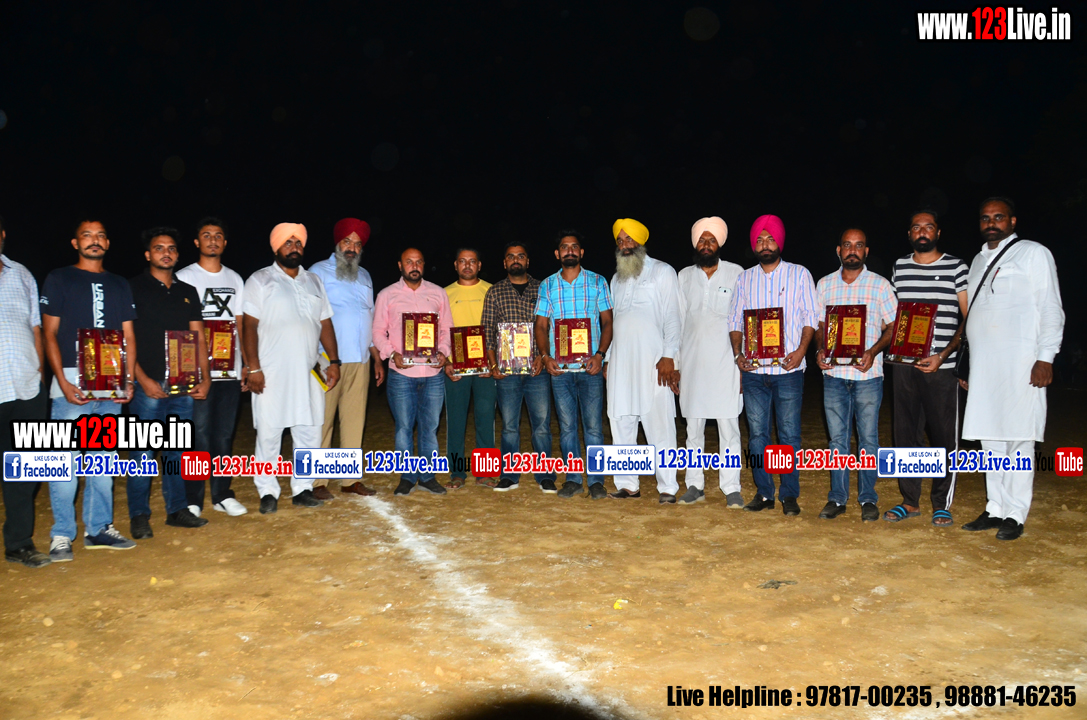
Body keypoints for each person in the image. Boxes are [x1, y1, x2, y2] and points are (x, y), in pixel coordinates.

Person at [960, 197, 1064, 541]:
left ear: (1013, 221)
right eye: (985, 218)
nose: (991, 223)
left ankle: (1015, 514)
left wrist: (1045, 357)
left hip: (1022, 364)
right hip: (985, 367)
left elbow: (1050, 307)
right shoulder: (977, 261)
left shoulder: (1033, 253)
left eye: (998, 217)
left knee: (1019, 438)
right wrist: (969, 367)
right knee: (990, 439)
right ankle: (995, 508)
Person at [40, 219, 137, 559]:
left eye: (100, 236)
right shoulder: (59, 278)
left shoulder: (119, 283)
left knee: (102, 462)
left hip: (110, 381)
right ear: (75, 242)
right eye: (87, 235)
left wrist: (128, 380)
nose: (94, 241)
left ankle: (98, 529)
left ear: (107, 243)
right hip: (71, 380)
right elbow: (49, 333)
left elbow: (128, 336)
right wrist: (62, 381)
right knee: (64, 463)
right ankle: (61, 534)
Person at [242, 223, 340, 513]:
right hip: (271, 372)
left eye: (298, 243)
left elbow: (325, 322)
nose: (294, 247)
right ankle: (267, 491)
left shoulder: (314, 281)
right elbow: (249, 325)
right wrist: (253, 368)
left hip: (308, 370)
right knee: (269, 433)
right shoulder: (260, 279)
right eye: (288, 242)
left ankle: (303, 488)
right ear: (276, 247)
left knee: (309, 431)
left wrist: (334, 361)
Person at [728, 215, 819, 516]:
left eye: (770, 239)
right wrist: (738, 354)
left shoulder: (799, 274)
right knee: (757, 436)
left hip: (788, 370)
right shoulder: (744, 279)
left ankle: (789, 494)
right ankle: (764, 492)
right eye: (759, 240)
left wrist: (801, 351)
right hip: (754, 372)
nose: (764, 244)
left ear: (779, 242)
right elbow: (734, 320)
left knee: (789, 435)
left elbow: (810, 316)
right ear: (753, 245)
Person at [884, 211, 968, 526]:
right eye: (916, 227)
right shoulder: (900, 266)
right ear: (909, 233)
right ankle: (910, 501)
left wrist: (943, 355)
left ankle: (941, 503)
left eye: (928, 227)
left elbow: (968, 317)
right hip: (904, 367)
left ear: (938, 232)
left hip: (941, 367)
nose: (922, 231)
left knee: (944, 436)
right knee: (906, 434)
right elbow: (894, 316)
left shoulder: (957, 267)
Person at [127, 227, 211, 538]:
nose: (166, 253)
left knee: (176, 450)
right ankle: (139, 515)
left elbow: (198, 337)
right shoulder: (131, 288)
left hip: (182, 385)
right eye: (159, 247)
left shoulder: (187, 291)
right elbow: (125, 338)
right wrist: (141, 379)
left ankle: (177, 509)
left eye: (172, 248)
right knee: (143, 453)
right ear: (147, 254)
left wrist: (206, 377)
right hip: (147, 384)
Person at [815, 229, 897, 521]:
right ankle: (837, 498)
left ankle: (868, 499)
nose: (852, 250)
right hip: (834, 375)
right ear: (839, 250)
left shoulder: (880, 285)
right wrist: (820, 350)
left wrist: (873, 351)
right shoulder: (824, 284)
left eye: (858, 245)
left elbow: (894, 327)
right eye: (847, 245)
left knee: (868, 440)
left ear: (866, 251)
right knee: (837, 440)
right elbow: (820, 325)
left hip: (868, 376)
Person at [603, 218, 682, 504]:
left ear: (641, 242)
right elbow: (614, 322)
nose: (624, 245)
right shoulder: (616, 279)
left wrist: (669, 356)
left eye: (629, 239)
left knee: (659, 422)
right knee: (621, 420)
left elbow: (673, 316)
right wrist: (608, 358)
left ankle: (668, 487)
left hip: (654, 361)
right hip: (621, 362)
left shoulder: (662, 271)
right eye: (620, 241)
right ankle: (628, 485)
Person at [176, 217, 250, 516]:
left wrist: (246, 364)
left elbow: (240, 324)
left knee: (223, 435)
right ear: (197, 242)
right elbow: (178, 327)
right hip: (196, 370)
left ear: (225, 243)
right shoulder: (183, 277)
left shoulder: (235, 279)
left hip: (229, 368)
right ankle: (193, 498)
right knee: (198, 434)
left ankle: (222, 494)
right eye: (206, 235)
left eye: (218, 236)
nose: (212, 240)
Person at [534, 229, 614, 500]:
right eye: (564, 247)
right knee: (567, 428)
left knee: (593, 427)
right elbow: (541, 325)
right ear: (557, 254)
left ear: (581, 252)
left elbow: (607, 322)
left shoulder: (597, 281)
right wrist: (545, 356)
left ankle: (597, 481)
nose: (569, 250)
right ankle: (573, 478)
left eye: (574, 246)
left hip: (590, 368)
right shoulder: (547, 285)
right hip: (560, 370)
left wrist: (600, 355)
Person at [308, 218, 383, 498]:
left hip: (360, 359)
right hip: (327, 360)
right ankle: (316, 483)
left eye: (358, 244)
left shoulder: (365, 276)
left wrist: (376, 357)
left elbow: (369, 316)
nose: (352, 248)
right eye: (347, 241)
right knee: (321, 420)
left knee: (354, 420)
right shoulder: (317, 272)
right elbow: (310, 316)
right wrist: (318, 357)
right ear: (337, 243)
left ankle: (350, 480)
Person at [675, 217, 745, 507]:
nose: (706, 244)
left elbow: (744, 319)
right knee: (693, 430)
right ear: (696, 244)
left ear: (720, 244)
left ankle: (732, 488)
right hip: (691, 364)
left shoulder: (736, 273)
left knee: (729, 428)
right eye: (702, 240)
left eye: (711, 240)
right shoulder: (683, 276)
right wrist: (676, 365)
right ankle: (694, 485)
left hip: (727, 364)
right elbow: (677, 322)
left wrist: (743, 366)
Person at [372, 248, 452, 496]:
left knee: (430, 427)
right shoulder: (387, 295)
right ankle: (406, 477)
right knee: (404, 428)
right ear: (400, 265)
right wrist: (391, 353)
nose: (414, 266)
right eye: (409, 262)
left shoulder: (438, 293)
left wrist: (443, 352)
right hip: (401, 374)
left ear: (424, 265)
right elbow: (377, 331)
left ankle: (427, 477)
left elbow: (447, 329)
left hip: (433, 374)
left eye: (418, 262)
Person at [481, 242, 555, 491]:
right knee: (509, 426)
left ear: (527, 261)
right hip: (507, 373)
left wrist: (543, 356)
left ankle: (545, 475)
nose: (516, 260)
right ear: (504, 263)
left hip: (537, 370)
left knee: (541, 426)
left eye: (520, 256)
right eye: (510, 257)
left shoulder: (542, 288)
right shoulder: (495, 292)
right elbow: (487, 333)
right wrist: (494, 364)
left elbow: (550, 328)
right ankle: (509, 475)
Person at [0, 214, 51, 567]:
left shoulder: (21, 273)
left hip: (26, 386)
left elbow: (36, 328)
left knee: (24, 468)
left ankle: (19, 543)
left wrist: (41, 377)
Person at [443, 248, 497, 489]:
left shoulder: (491, 290)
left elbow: (498, 329)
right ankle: (457, 473)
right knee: (455, 422)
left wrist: (493, 363)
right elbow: (439, 333)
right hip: (456, 369)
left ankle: (485, 473)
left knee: (486, 419)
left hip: (485, 368)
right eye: (462, 261)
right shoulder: (444, 293)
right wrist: (447, 363)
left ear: (479, 265)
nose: (467, 265)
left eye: (472, 261)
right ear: (455, 265)